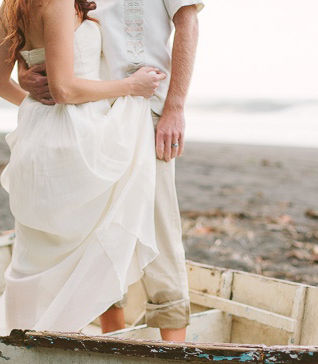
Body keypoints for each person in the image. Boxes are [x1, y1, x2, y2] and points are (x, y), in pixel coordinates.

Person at [19, 0, 203, 341]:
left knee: (159, 225)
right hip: (91, 114)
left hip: (147, 109)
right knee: (97, 228)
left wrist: (175, 107)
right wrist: (25, 74)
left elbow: (187, 24)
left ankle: (176, 350)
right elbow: (63, 34)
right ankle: (109, 338)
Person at [0, 0, 168, 336]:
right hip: (74, 140)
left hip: (36, 137)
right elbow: (65, 89)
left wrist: (34, 103)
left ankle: (23, 335)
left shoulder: (10, 6)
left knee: (35, 254)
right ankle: (65, 335)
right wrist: (131, 87)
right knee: (84, 246)